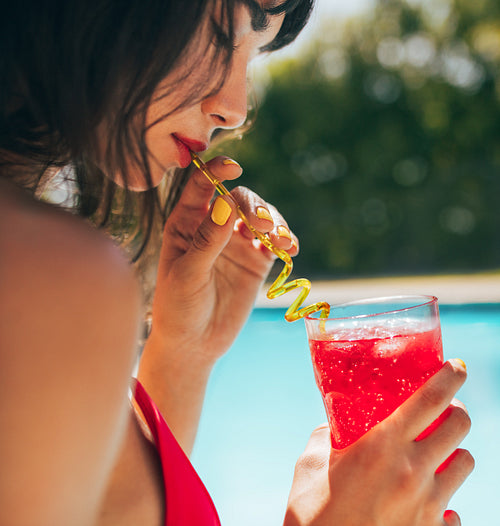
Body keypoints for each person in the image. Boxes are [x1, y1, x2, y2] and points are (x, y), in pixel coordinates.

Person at [0, 1, 473, 525]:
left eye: (251, 59)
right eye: (226, 37)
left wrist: (183, 355)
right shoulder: (43, 274)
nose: (236, 108)